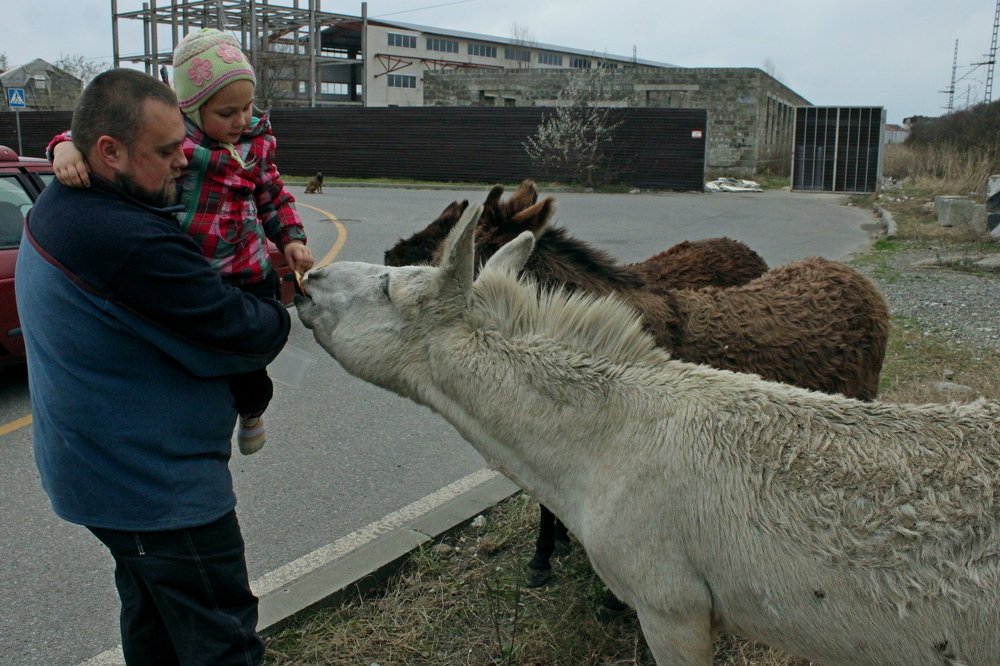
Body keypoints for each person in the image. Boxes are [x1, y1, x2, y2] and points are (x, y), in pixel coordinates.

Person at [16, 68, 289, 666]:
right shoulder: (128, 241)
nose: (184, 163)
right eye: (166, 151)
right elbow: (249, 334)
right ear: (108, 152)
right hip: (156, 493)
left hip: (99, 477)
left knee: (155, 629)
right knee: (223, 642)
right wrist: (275, 295)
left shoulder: (60, 205)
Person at [50, 27, 314, 456]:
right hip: (195, 268)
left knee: (252, 365)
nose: (241, 120)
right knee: (198, 350)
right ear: (191, 108)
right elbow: (99, 135)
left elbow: (274, 194)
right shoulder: (179, 142)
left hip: (248, 269)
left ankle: (252, 411)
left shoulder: (257, 145)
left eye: (247, 107)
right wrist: (64, 148)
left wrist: (291, 239)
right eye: (227, 112)